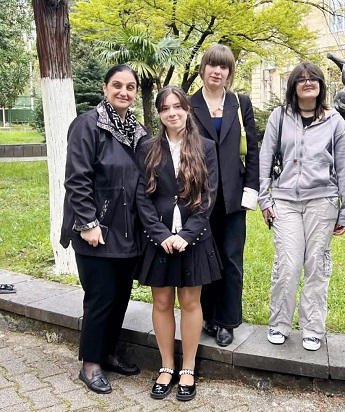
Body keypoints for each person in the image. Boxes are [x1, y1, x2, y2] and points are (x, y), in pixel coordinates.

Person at [60, 65, 147, 394]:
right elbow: (77, 178)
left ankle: (109, 353)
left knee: (120, 296)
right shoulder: (88, 125)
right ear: (105, 87)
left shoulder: (137, 130)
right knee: (101, 297)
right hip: (96, 230)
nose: (124, 92)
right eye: (117, 85)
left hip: (127, 231)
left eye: (130, 87)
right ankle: (91, 364)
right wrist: (87, 223)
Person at [258, 62, 345, 351]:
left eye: (313, 78)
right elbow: (265, 158)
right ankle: (279, 323)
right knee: (287, 265)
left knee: (316, 266)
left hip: (322, 202)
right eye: (301, 79)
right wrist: (264, 199)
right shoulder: (279, 116)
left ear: (321, 85)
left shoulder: (335, 121)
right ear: (293, 86)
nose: (308, 83)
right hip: (285, 201)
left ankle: (313, 328)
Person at [135, 85, 220, 401]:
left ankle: (188, 368)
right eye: (165, 108)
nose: (172, 113)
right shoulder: (147, 148)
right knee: (161, 302)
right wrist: (161, 235)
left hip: (193, 239)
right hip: (157, 239)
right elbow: (141, 196)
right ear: (159, 114)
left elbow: (209, 196)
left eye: (177, 107)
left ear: (187, 110)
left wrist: (186, 235)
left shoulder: (206, 147)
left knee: (191, 303)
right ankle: (167, 366)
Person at [190, 44, 259, 347]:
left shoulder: (240, 103)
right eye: (212, 65)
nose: (217, 72)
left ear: (229, 72)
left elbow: (253, 150)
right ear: (203, 68)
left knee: (231, 259)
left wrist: (251, 190)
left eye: (224, 67)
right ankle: (207, 315)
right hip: (199, 197)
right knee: (205, 258)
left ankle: (227, 321)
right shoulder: (189, 104)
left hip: (233, 195)